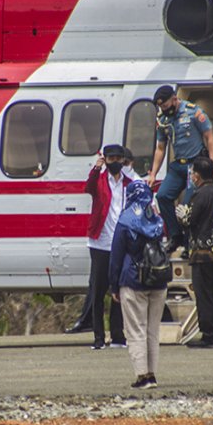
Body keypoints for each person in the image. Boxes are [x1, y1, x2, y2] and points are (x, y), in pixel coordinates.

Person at [109, 181, 167, 388]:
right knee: (153, 330)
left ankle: (142, 376)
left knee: (136, 330)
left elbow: (116, 257)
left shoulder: (125, 220)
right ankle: (152, 374)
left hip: (133, 280)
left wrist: (113, 286)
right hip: (158, 282)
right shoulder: (157, 218)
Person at [147, 85, 213, 256]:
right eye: (160, 107)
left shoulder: (193, 112)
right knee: (163, 196)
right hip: (178, 164)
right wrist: (153, 173)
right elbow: (160, 147)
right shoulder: (163, 119)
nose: (164, 109)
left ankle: (188, 242)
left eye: (165, 105)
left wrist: (212, 166)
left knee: (187, 205)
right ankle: (175, 235)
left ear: (174, 98)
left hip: (195, 164)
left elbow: (210, 138)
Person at [174, 157, 213, 348]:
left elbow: (190, 220)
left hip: (203, 252)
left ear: (196, 176)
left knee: (204, 295)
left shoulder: (199, 195)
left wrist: (182, 216)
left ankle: (209, 335)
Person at [80, 144, 132, 349]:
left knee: (119, 290)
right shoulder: (99, 181)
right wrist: (96, 169)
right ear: (106, 160)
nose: (115, 162)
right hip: (100, 242)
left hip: (120, 244)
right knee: (98, 291)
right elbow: (87, 188)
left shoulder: (129, 183)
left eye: (118, 158)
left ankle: (118, 336)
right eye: (111, 159)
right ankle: (99, 338)